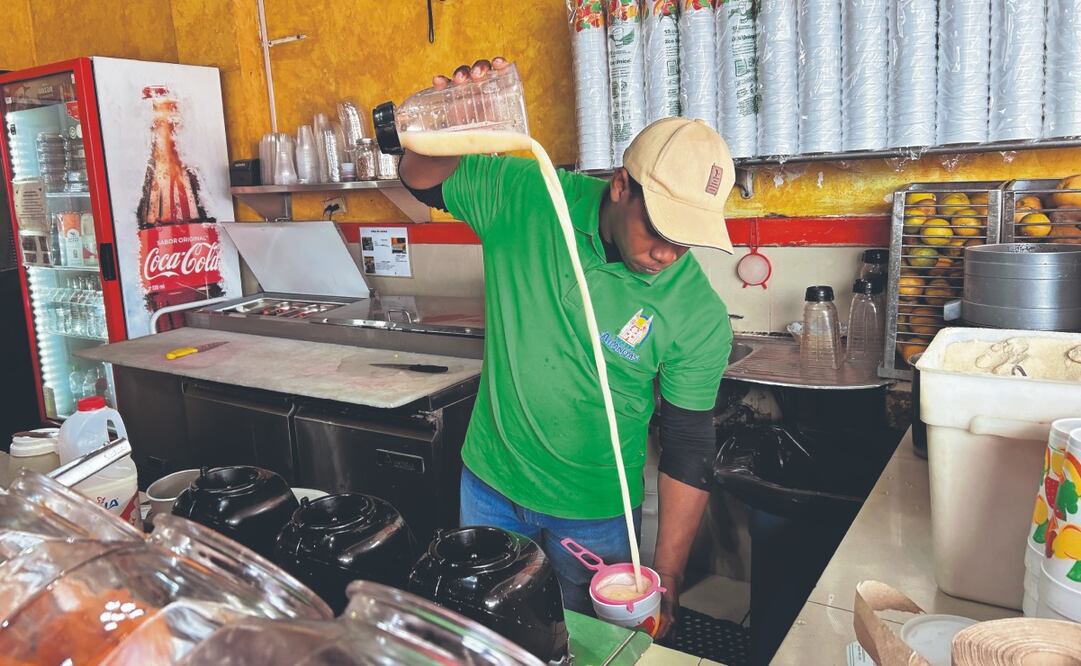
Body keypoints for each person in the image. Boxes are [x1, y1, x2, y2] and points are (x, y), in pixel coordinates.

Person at [396, 57, 735, 639]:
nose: (668, 255)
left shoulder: (699, 316)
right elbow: (417, 178)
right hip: (490, 486)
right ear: (621, 187)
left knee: (585, 643)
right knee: (489, 636)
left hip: (599, 514)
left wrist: (670, 575)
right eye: (658, 231)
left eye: (687, 240)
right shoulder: (526, 197)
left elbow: (687, 447)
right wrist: (450, 122)